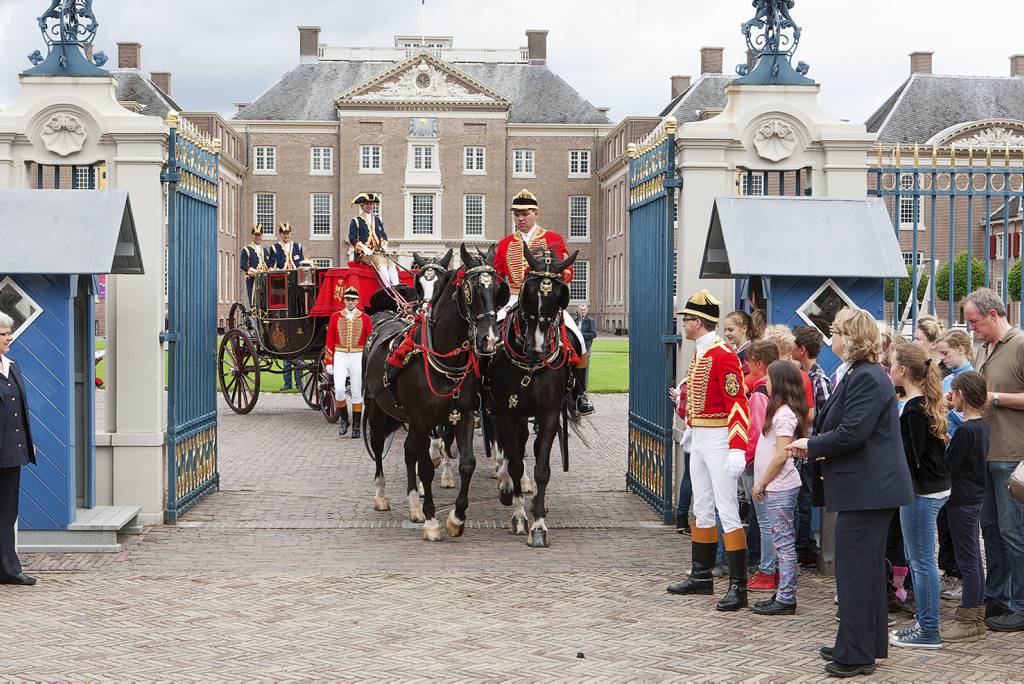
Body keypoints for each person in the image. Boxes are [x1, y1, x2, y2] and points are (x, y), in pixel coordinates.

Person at [787, 307, 914, 678]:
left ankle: (856, 652)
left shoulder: (868, 376)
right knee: (866, 570)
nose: (832, 339)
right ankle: (861, 641)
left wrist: (810, 445)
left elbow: (851, 433)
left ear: (852, 337)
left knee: (856, 571)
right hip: (867, 489)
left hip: (868, 490)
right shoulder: (862, 373)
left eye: (838, 332)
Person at [666, 290, 751, 612]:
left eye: (686, 320)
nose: (683, 325)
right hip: (701, 434)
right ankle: (701, 575)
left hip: (718, 439)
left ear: (698, 323)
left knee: (727, 509)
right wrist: (690, 426)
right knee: (701, 506)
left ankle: (738, 586)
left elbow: (737, 404)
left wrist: (737, 447)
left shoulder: (722, 354)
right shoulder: (703, 351)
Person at [494, 189, 593, 416]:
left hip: (546, 301)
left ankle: (580, 394)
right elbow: (500, 277)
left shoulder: (553, 239)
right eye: (516, 214)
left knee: (578, 339)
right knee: (488, 338)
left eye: (525, 213)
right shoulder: (505, 244)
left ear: (535, 213)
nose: (520, 218)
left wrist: (554, 276)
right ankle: (484, 389)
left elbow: (568, 271)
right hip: (514, 297)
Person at [964, 288, 1024, 632]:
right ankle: (998, 597)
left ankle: (1020, 603)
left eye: (974, 321)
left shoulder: (1019, 344)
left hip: (1011, 455)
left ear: (992, 314)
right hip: (985, 454)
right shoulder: (982, 349)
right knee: (991, 530)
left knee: (1014, 531)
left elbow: (995, 397)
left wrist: (995, 398)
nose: (971, 328)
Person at [887, 342, 950, 649]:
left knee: (922, 561)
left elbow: (913, 458)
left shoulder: (913, 409)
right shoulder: (925, 402)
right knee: (922, 559)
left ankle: (929, 629)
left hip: (921, 492)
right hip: (933, 488)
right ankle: (925, 624)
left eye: (892, 365)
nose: (888, 369)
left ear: (903, 371)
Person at [751, 360, 810, 615]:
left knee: (783, 543)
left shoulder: (784, 415)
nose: (766, 381)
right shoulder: (781, 412)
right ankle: (784, 592)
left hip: (779, 486)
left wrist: (762, 482)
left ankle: (786, 596)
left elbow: (781, 454)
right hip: (776, 485)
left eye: (770, 378)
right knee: (781, 540)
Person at [940, 370, 989, 642]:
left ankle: (968, 619)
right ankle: (976, 616)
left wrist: (944, 447)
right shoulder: (981, 427)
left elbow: (950, 465)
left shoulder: (965, 431)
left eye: (953, 392)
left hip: (961, 501)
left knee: (967, 560)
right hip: (974, 498)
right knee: (973, 559)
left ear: (961, 395)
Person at [935, 328, 975, 601]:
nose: (943, 358)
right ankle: (950, 570)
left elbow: (971, 416)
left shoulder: (969, 379)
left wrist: (948, 411)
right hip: (945, 452)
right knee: (944, 518)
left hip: (957, 455)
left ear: (961, 348)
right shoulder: (949, 378)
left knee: (957, 521)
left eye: (946, 352)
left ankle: (959, 574)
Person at [0, 311, 37, 586]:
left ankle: (9, 570)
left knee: (7, 513)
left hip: (11, 453)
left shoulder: (13, 366)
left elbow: (18, 409)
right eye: (3, 334)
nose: (9, 337)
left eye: (8, 331)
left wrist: (24, 440)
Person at [791, 325, 831, 568]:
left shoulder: (820, 379)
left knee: (804, 501)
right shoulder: (800, 374)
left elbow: (825, 415)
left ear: (802, 349)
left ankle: (803, 548)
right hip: (800, 448)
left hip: (809, 449)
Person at [745, 340, 781, 592]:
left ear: (758, 363)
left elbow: (755, 431)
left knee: (765, 521)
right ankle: (776, 569)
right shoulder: (782, 386)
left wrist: (746, 458)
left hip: (761, 463)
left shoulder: (760, 392)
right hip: (778, 460)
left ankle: (767, 570)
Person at [325, 286, 372, 439]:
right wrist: (329, 360)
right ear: (344, 300)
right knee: (339, 389)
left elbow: (369, 341)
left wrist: (368, 361)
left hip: (357, 356)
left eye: (353, 299)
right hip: (340, 355)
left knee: (356, 391)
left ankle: (357, 426)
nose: (350, 302)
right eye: (348, 299)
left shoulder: (365, 318)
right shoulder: (335, 317)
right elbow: (330, 339)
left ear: (357, 301)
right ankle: (345, 420)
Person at [272, 222, 306, 390]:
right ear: (280, 234)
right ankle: (287, 383)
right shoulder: (274, 249)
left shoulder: (297, 246)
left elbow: (301, 265)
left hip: (295, 285)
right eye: (283, 233)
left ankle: (300, 383)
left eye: (288, 232)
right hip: (281, 286)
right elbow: (272, 267)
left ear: (290, 233)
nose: (286, 235)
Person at [348, 192, 399, 287]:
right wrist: (363, 248)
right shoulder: (356, 221)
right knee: (381, 262)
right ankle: (388, 288)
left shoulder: (377, 220)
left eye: (371, 204)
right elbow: (352, 238)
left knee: (391, 262)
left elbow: (383, 235)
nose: (369, 206)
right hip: (364, 255)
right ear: (362, 206)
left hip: (378, 252)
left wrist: (384, 246)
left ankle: (397, 287)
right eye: (367, 204)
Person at [240, 224, 271, 304]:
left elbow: (269, 264)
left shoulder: (265, 250)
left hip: (265, 280)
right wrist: (256, 272)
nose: (258, 237)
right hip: (253, 280)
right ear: (252, 235)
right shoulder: (246, 249)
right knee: (255, 302)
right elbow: (243, 265)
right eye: (256, 235)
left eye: (260, 235)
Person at [724, 310, 757, 374]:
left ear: (744, 328)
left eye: (730, 330)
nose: (726, 333)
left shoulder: (750, 352)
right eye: (725, 330)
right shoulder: (734, 351)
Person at [576, 303, 597, 400]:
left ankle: (584, 392)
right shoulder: (576, 320)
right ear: (578, 310)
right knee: (575, 370)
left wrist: (581, 334)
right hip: (576, 349)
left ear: (587, 310)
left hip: (586, 349)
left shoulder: (590, 321)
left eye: (584, 310)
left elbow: (593, 334)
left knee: (585, 370)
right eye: (581, 310)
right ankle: (575, 391)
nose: (582, 311)